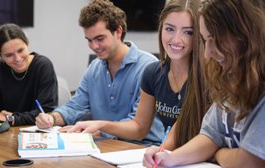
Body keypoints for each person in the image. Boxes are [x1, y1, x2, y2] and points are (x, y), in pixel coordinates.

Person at [69, 0, 208, 150]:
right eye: (169, 29)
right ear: (161, 28)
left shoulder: (207, 78)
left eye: (188, 32)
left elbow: (209, 138)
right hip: (170, 156)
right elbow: (139, 128)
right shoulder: (153, 72)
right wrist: (101, 124)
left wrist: (166, 153)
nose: (176, 39)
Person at [143, 0, 265, 168]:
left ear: (244, 34)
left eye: (215, 39)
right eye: (204, 40)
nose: (207, 53)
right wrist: (169, 158)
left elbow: (250, 162)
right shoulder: (229, 77)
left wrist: (219, 153)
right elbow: (211, 134)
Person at [35, 0, 161, 145]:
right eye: (89, 40)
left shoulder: (148, 67)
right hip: (103, 145)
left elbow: (137, 125)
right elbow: (76, 106)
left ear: (118, 32)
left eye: (100, 39)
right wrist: (52, 118)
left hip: (142, 149)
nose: (94, 46)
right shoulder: (94, 68)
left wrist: (100, 129)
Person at [0, 23, 58, 126]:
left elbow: (46, 112)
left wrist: (11, 119)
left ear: (27, 44)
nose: (18, 58)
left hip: (36, 131)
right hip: (3, 132)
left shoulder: (43, 66)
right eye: (9, 55)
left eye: (21, 50)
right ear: (1, 56)